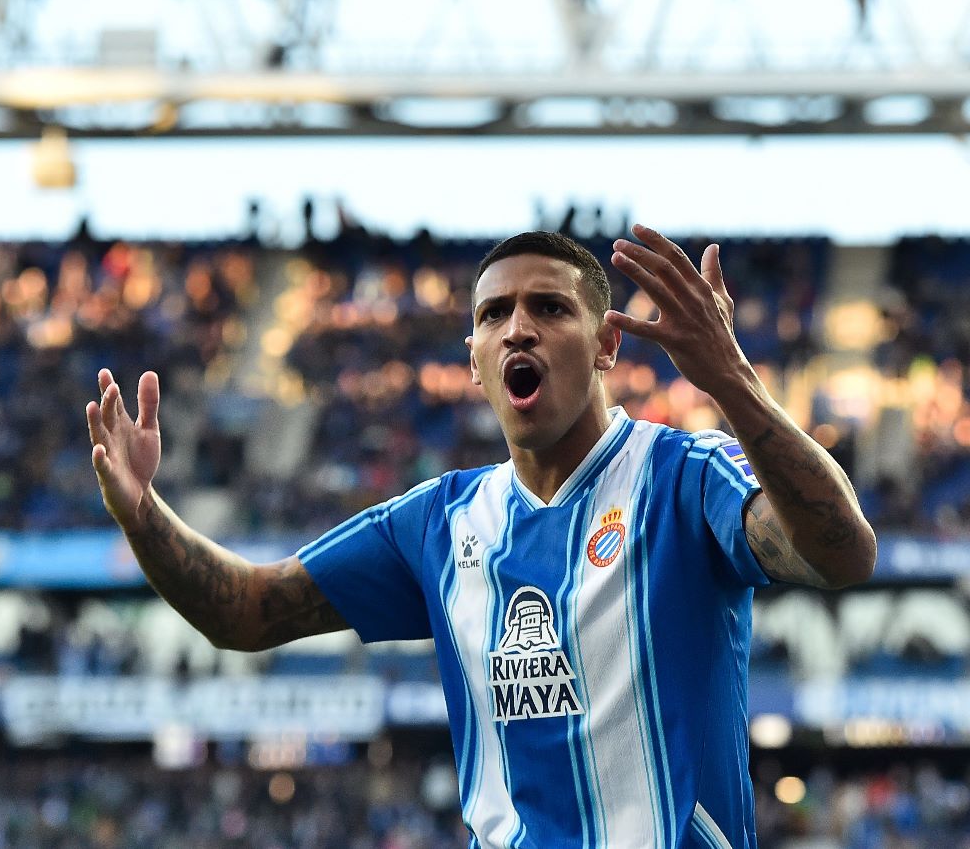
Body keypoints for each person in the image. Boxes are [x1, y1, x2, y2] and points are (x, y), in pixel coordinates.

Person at [85, 225, 876, 848]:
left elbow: (843, 552)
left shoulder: (688, 475)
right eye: (494, 314)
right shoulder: (439, 521)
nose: (518, 329)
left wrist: (732, 379)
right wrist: (143, 515)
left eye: (551, 307)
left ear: (607, 346)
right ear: (473, 359)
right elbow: (246, 611)